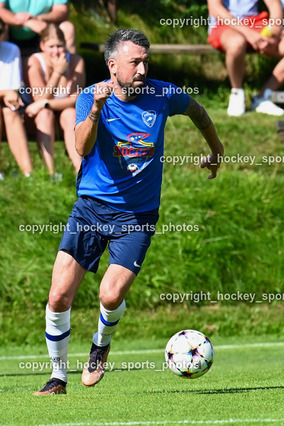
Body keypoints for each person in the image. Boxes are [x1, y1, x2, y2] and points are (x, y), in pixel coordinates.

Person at [33, 28, 224, 395]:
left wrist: (216, 151)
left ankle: (100, 344)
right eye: (134, 62)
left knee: (110, 296)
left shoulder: (163, 94)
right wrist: (96, 110)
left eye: (145, 62)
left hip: (137, 216)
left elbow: (198, 112)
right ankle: (57, 377)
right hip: (91, 209)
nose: (142, 69)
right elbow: (81, 147)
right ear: (112, 65)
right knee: (58, 297)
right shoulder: (90, 97)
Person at [208, 0, 284, 117]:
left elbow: (274, 5)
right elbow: (215, 8)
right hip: (224, 23)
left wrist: (274, 30)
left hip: (255, 23)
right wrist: (249, 34)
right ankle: (237, 93)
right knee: (237, 43)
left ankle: (262, 96)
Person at [25, 23, 84, 174]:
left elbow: (75, 99)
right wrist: (57, 73)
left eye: (59, 46)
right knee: (45, 114)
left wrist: (44, 104)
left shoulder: (76, 61)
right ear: (42, 46)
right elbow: (39, 98)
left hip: (64, 111)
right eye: (51, 46)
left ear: (65, 45)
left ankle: (79, 169)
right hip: (35, 117)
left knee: (70, 113)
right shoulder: (35, 62)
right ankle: (49, 172)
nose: (56, 51)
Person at [0, 17, 31, 179]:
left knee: (10, 110)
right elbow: (7, 91)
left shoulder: (11, 50)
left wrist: (7, 94)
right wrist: (5, 93)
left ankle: (28, 173)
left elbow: (12, 90)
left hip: (6, 103)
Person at [0, 0, 75, 54]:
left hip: (42, 31)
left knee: (67, 28)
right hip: (9, 32)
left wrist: (39, 19)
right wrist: (26, 22)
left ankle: (66, 66)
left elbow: (61, 11)